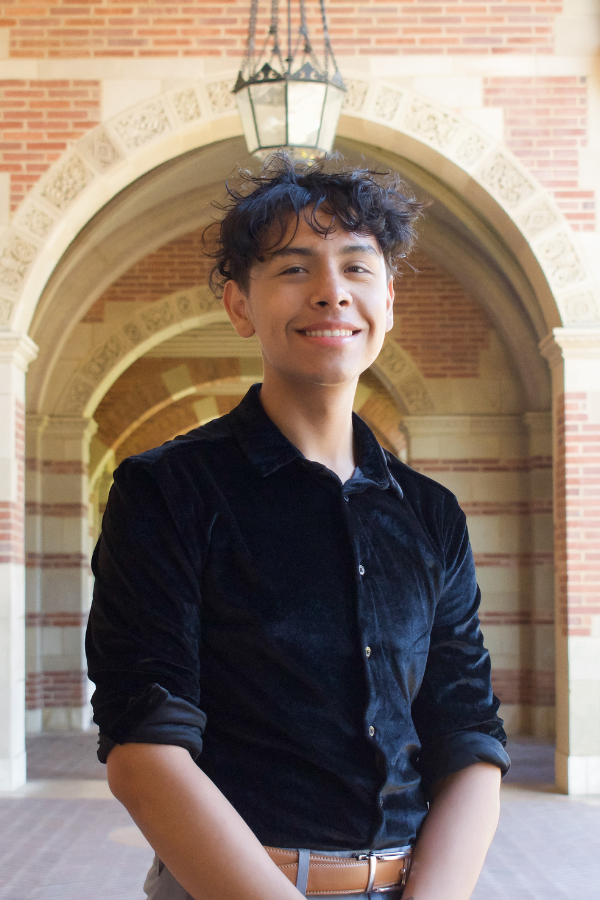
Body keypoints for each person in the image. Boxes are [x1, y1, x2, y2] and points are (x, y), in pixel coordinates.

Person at [86, 152, 510, 900]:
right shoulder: (168, 491)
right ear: (239, 304)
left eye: (357, 267)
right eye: (292, 269)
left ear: (387, 298)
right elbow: (143, 744)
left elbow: (468, 731)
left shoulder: (431, 513)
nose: (331, 293)